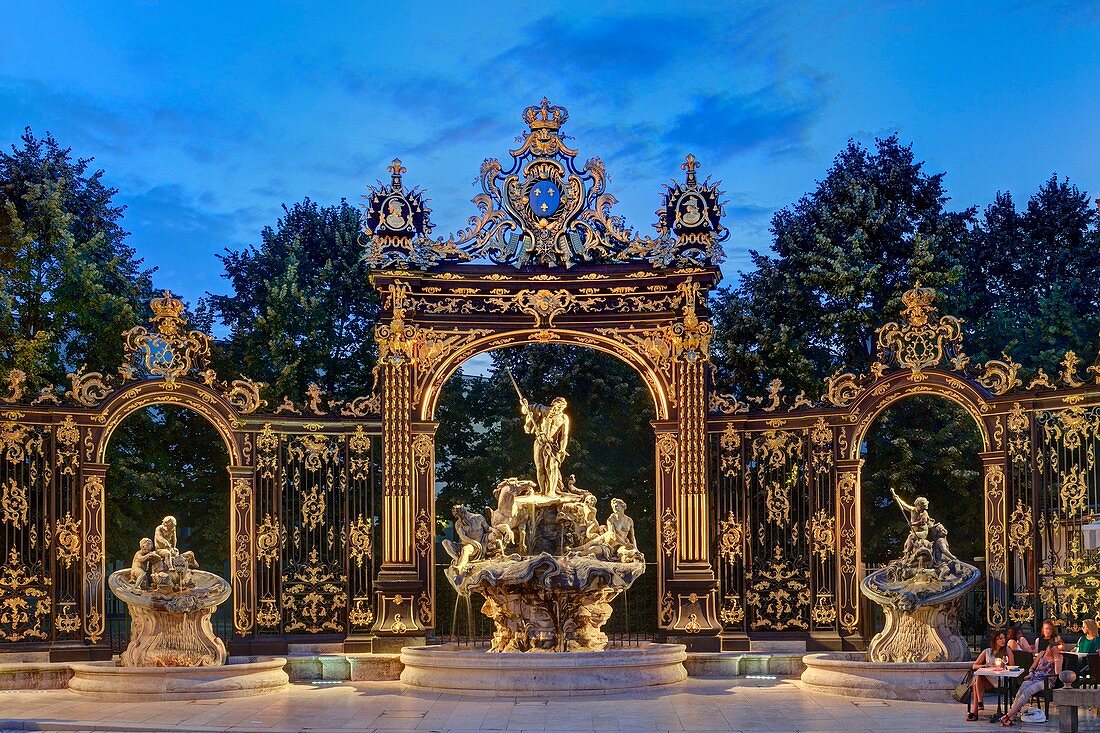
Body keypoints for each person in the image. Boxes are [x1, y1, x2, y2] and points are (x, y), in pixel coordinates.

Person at [999, 637, 1062, 726]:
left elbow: (1058, 673)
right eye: (1048, 649)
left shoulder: (1058, 657)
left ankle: (1008, 715)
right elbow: (1032, 667)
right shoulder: (1042, 654)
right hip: (1035, 677)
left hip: (1046, 681)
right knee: (1022, 689)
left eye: (1051, 651)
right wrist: (1031, 673)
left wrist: (1056, 657)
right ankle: (1011, 717)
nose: (1048, 652)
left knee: (1028, 691)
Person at [521, 396, 569, 496]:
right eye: (559, 406)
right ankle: (543, 490)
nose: (560, 409)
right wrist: (524, 404)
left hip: (552, 445)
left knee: (553, 467)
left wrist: (562, 449)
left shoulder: (564, 418)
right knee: (540, 467)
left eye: (562, 408)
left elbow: (564, 435)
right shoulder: (543, 409)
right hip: (540, 442)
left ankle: (551, 491)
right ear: (554, 404)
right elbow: (526, 410)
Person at [968, 629, 1015, 721]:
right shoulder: (987, 651)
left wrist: (1004, 665)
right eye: (1000, 638)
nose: (1003, 640)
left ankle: (975, 710)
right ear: (995, 641)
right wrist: (985, 665)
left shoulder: (1007, 651)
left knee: (975, 683)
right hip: (989, 678)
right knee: (979, 675)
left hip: (1001, 679)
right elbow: (974, 666)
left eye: (1003, 638)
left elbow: (1013, 666)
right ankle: (980, 703)